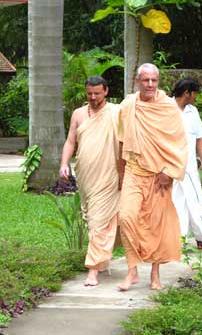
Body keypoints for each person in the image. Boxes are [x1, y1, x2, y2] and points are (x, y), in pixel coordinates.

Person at [117, 63, 188, 291]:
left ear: (158, 82)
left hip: (159, 176)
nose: (149, 84)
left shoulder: (168, 107)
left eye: (153, 80)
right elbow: (121, 140)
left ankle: (155, 276)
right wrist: (120, 173)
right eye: (145, 80)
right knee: (126, 217)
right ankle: (132, 271)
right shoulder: (128, 106)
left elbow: (179, 143)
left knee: (157, 225)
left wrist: (169, 172)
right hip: (134, 171)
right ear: (138, 81)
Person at [59, 75, 120, 286]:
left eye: (97, 93)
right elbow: (70, 142)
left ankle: (93, 271)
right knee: (93, 220)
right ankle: (102, 258)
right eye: (89, 94)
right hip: (86, 177)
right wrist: (64, 164)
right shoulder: (78, 114)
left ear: (106, 91)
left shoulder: (116, 112)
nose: (93, 97)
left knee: (98, 221)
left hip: (109, 176)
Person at [172, 78, 202, 249]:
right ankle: (179, 240)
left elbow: (199, 137)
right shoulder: (165, 108)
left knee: (195, 199)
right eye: (195, 93)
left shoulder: (193, 111)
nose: (196, 97)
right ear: (186, 93)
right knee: (176, 202)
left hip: (189, 166)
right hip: (169, 166)